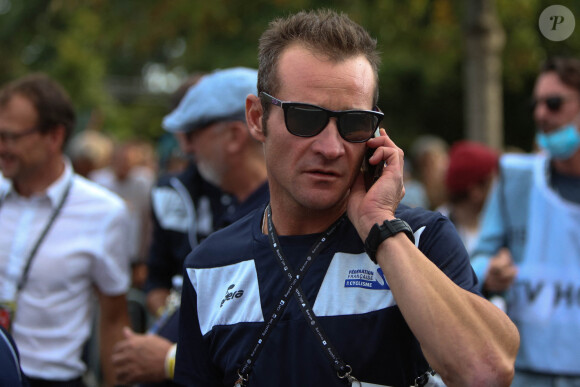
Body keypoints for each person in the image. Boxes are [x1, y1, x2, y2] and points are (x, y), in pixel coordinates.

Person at [175, 9, 519, 387]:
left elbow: (486, 371)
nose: (330, 147)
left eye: (354, 124)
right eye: (305, 119)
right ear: (257, 118)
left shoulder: (420, 240)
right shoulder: (209, 266)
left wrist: (380, 227)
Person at [112, 67, 269, 386]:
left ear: (235, 137)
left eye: (193, 133)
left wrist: (170, 359)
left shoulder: (275, 218)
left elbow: (273, 345)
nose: (186, 148)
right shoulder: (243, 210)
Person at [0, 73, 131, 387]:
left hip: (52, 379)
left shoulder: (103, 212)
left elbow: (114, 319)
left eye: (11, 137)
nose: (2, 147)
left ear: (54, 136)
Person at [471, 57, 580, 387]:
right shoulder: (516, 179)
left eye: (554, 103)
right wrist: (490, 272)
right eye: (537, 104)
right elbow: (474, 261)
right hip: (526, 373)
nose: (540, 115)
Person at [437, 140, 499, 254]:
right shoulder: (437, 231)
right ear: (475, 191)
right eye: (492, 182)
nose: (497, 188)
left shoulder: (495, 224)